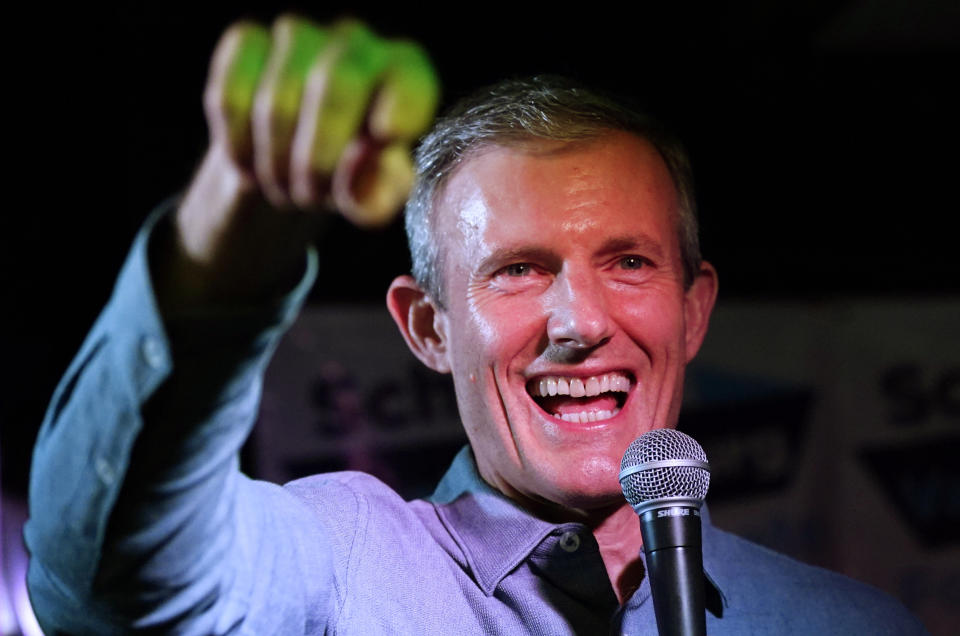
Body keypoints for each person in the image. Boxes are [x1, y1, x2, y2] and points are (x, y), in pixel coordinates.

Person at [25, 16, 927, 635]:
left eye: (629, 262)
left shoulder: (852, 624)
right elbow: (107, 586)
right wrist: (218, 268)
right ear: (427, 326)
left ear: (693, 309)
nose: (579, 321)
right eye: (519, 270)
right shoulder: (342, 566)